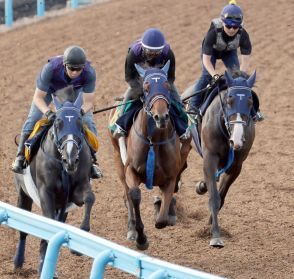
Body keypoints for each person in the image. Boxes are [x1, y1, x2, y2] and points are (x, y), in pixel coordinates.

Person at [11, 45, 102, 179]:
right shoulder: (50, 69)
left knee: (87, 121)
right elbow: (38, 98)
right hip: (50, 90)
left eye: (79, 69)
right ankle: (20, 157)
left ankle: (92, 161)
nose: (75, 72)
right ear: (65, 65)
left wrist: (80, 112)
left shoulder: (89, 72)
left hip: (74, 90)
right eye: (72, 68)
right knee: (34, 118)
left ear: (84, 67)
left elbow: (88, 101)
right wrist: (48, 113)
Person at [188, 0, 264, 122]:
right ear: (223, 22)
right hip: (211, 53)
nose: (232, 29)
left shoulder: (243, 35)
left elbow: (245, 61)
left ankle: (254, 111)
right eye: (228, 26)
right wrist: (215, 75)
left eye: (235, 26)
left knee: (238, 79)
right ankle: (193, 106)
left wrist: (240, 77)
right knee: (206, 76)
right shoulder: (212, 33)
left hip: (229, 52)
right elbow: (206, 59)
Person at [112, 27, 190, 140]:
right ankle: (121, 124)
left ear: (161, 50)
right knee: (129, 96)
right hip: (141, 82)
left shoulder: (168, 53)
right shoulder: (133, 53)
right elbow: (129, 77)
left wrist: (164, 88)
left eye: (156, 52)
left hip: (161, 82)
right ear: (143, 48)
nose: (152, 55)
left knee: (176, 100)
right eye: (149, 52)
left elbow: (171, 77)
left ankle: (183, 127)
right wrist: (141, 90)